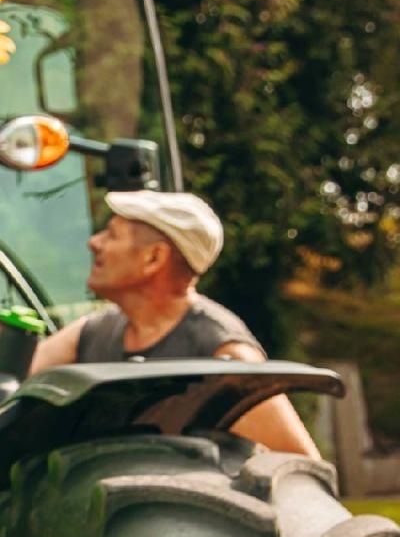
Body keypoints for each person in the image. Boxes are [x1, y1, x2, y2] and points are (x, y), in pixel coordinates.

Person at [30, 189, 322, 457]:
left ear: (153, 258)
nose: (94, 243)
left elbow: (302, 466)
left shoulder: (226, 360)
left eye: (112, 235)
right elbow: (8, 378)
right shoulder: (96, 331)